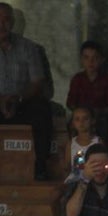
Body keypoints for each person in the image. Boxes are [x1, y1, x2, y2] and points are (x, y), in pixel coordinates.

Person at [0, 3, 58, 180]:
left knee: (41, 109)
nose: (2, 25)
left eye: (6, 20)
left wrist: (17, 99)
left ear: (13, 23)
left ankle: (40, 167)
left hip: (22, 102)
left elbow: (37, 82)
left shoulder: (28, 47)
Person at [65, 40, 108, 141]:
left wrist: (98, 113)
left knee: (101, 124)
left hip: (100, 118)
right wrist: (82, 112)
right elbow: (70, 103)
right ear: (81, 60)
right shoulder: (77, 79)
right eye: (86, 58)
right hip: (81, 116)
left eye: (95, 58)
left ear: (102, 60)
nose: (90, 62)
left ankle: (99, 148)